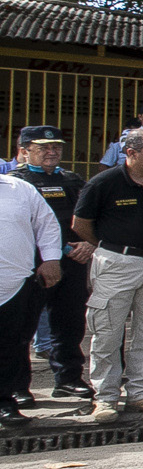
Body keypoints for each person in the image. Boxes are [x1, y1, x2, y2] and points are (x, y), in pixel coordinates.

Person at [71, 127, 143, 421]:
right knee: (107, 332)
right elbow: (81, 224)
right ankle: (105, 398)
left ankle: (141, 394)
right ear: (130, 153)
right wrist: (107, 247)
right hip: (117, 262)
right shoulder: (103, 183)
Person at [14, 127, 92, 400]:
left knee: (69, 324)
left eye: (56, 147)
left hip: (73, 262)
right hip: (32, 265)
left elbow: (89, 216)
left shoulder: (71, 180)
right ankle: (17, 387)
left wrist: (89, 244)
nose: (52, 152)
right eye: (43, 147)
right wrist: (58, 250)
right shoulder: (16, 182)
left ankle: (69, 378)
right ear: (24, 151)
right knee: (22, 328)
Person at [0, 157, 63, 426]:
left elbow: (46, 225)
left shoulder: (19, 188)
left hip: (14, 284)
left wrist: (51, 259)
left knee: (11, 346)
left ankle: (4, 402)